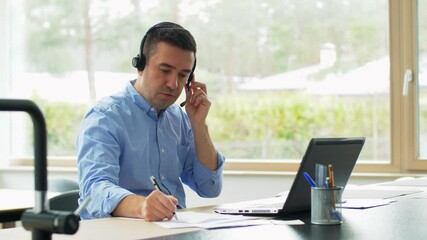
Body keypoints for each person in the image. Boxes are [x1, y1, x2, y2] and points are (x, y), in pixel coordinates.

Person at [75, 22, 225, 221]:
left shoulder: (179, 118)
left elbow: (210, 188)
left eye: (183, 75)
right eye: (165, 70)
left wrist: (199, 126)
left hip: (172, 231)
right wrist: (142, 206)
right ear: (140, 65)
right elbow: (94, 189)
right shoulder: (105, 117)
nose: (173, 84)